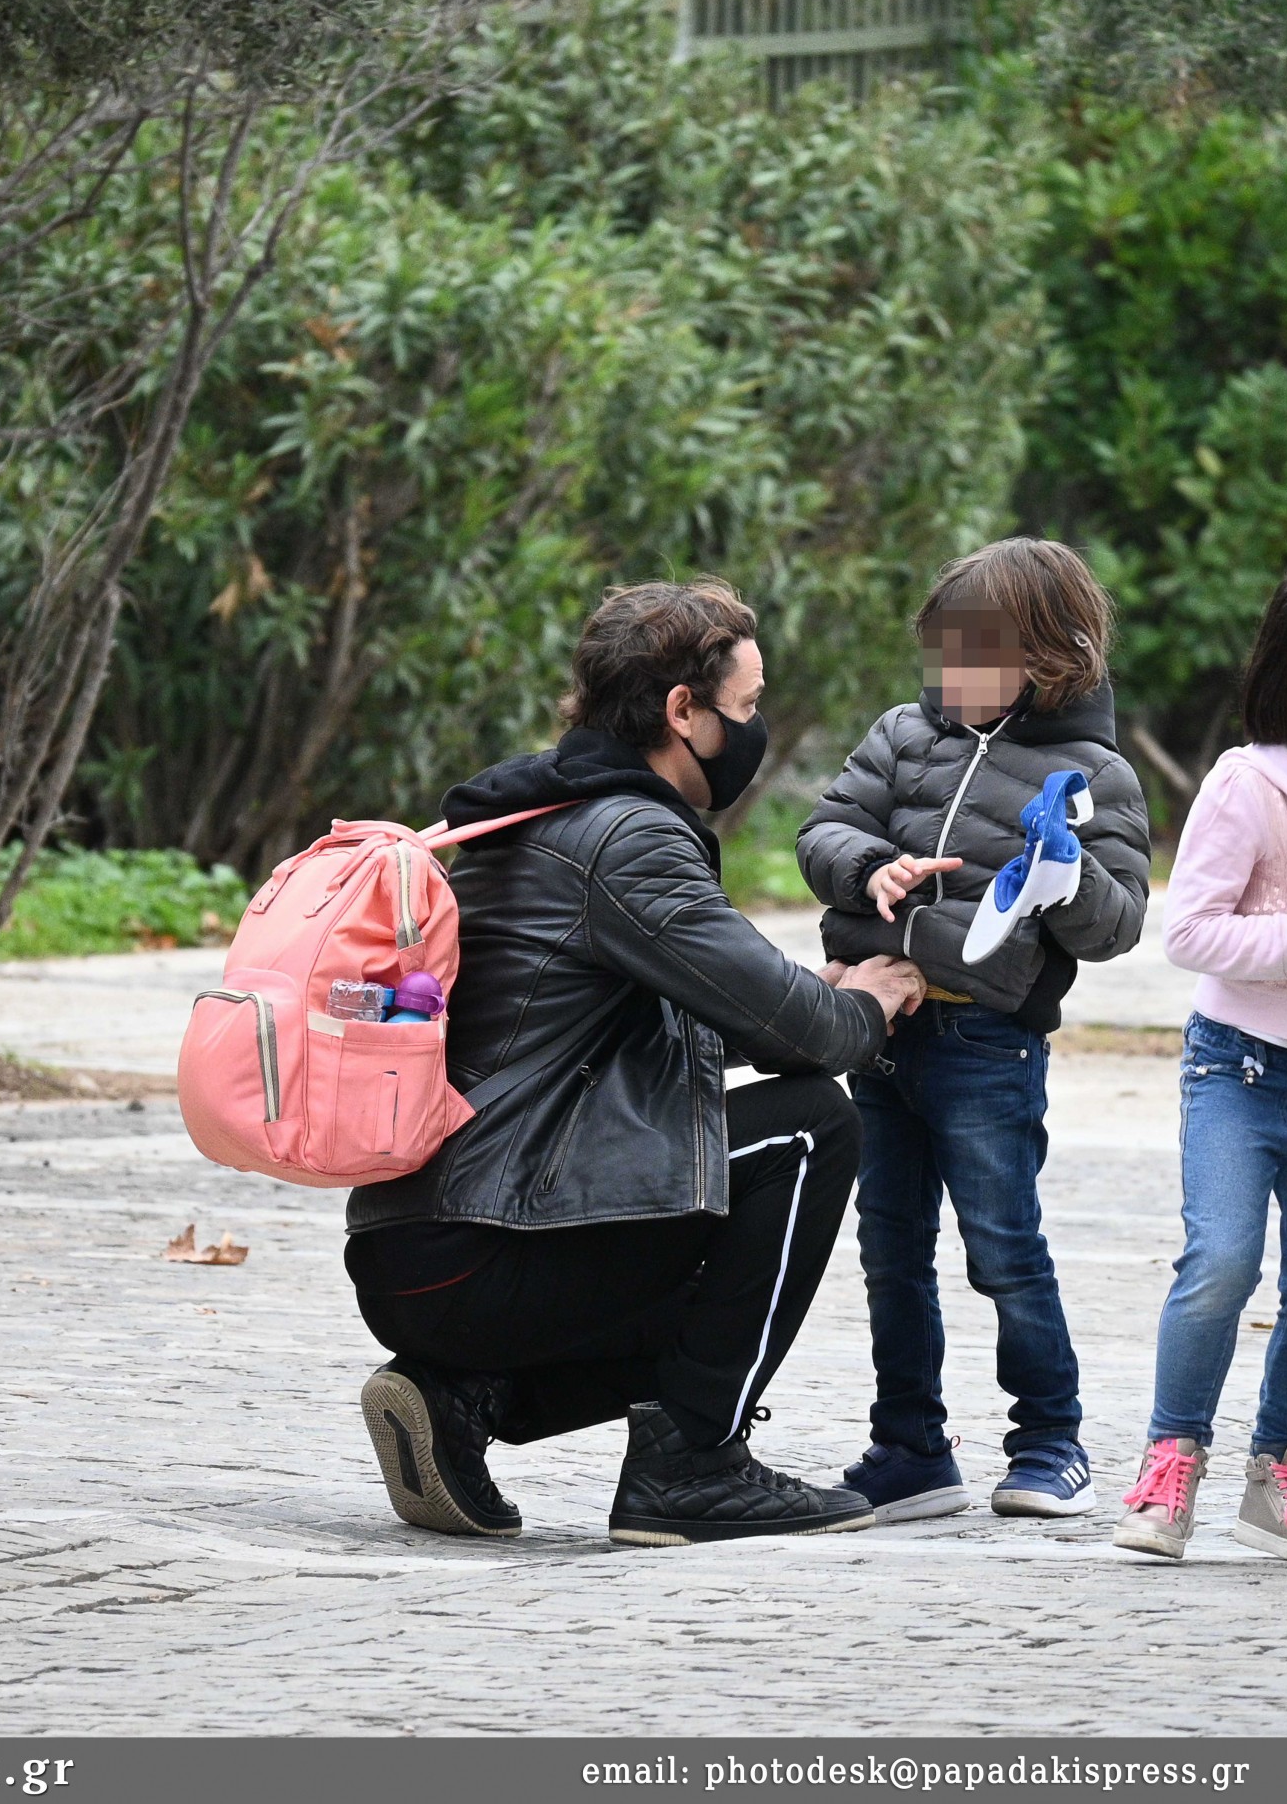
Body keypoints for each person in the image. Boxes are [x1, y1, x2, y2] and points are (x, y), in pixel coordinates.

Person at [347, 578, 926, 1545]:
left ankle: (462, 1394)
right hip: (488, 1243)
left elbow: (708, 1016)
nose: (755, 728)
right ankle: (695, 1464)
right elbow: (809, 1042)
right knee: (808, 1126)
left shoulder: (526, 810)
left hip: (419, 1248)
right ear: (681, 712)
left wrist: (814, 996)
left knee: (726, 1188)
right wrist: (869, 1000)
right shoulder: (630, 837)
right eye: (744, 706)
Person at [798, 538, 1151, 1523]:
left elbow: (1116, 924)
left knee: (1001, 1245)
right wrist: (866, 864)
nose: (945, 676)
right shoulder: (902, 735)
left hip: (985, 1050)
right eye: (938, 653)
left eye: (970, 654)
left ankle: (1049, 1437)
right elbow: (821, 830)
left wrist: (1066, 872)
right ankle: (907, 1443)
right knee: (888, 1245)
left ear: (1044, 656)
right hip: (879, 1034)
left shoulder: (1093, 772)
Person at [1114, 574, 1287, 1560]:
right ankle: (1167, 1462)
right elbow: (1185, 929)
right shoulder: (1245, 780)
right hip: (1237, 1070)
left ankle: (1277, 1472)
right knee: (1220, 1259)